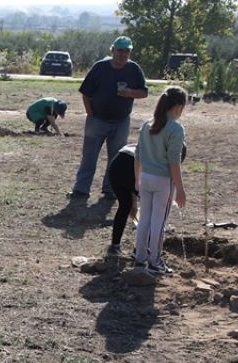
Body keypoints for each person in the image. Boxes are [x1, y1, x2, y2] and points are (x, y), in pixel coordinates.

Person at [71, 36, 148, 199]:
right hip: (97, 120)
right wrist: (91, 115)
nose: (123, 54)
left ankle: (110, 189)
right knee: (89, 156)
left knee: (116, 159)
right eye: (120, 50)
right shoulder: (100, 68)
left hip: (121, 121)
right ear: (112, 50)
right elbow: (85, 93)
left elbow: (144, 92)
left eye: (127, 50)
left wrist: (130, 93)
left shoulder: (134, 70)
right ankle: (81, 189)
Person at [133, 86, 187, 275]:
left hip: (145, 177)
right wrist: (180, 189)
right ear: (178, 106)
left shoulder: (147, 124)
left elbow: (137, 154)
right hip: (163, 181)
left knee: (144, 220)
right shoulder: (175, 128)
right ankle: (155, 261)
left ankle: (140, 257)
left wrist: (136, 179)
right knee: (159, 222)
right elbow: (174, 161)